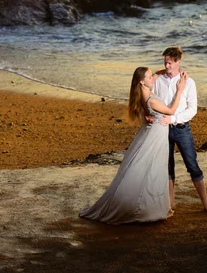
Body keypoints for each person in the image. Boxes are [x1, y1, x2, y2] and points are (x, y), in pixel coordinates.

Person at [79, 66, 186, 224]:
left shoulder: (142, 94)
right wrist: (180, 89)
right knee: (153, 169)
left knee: (150, 169)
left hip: (153, 134)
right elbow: (171, 110)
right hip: (156, 137)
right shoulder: (152, 100)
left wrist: (168, 69)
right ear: (142, 82)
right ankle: (145, 208)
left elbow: (156, 75)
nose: (153, 79)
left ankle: (150, 204)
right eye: (149, 77)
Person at [152, 46, 207, 213]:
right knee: (167, 166)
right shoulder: (158, 81)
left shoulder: (189, 82)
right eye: (165, 62)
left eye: (170, 63)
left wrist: (173, 118)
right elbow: (152, 100)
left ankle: (205, 202)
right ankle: (170, 203)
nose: (167, 66)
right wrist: (150, 114)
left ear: (178, 62)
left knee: (192, 165)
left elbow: (192, 109)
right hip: (162, 129)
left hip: (181, 128)